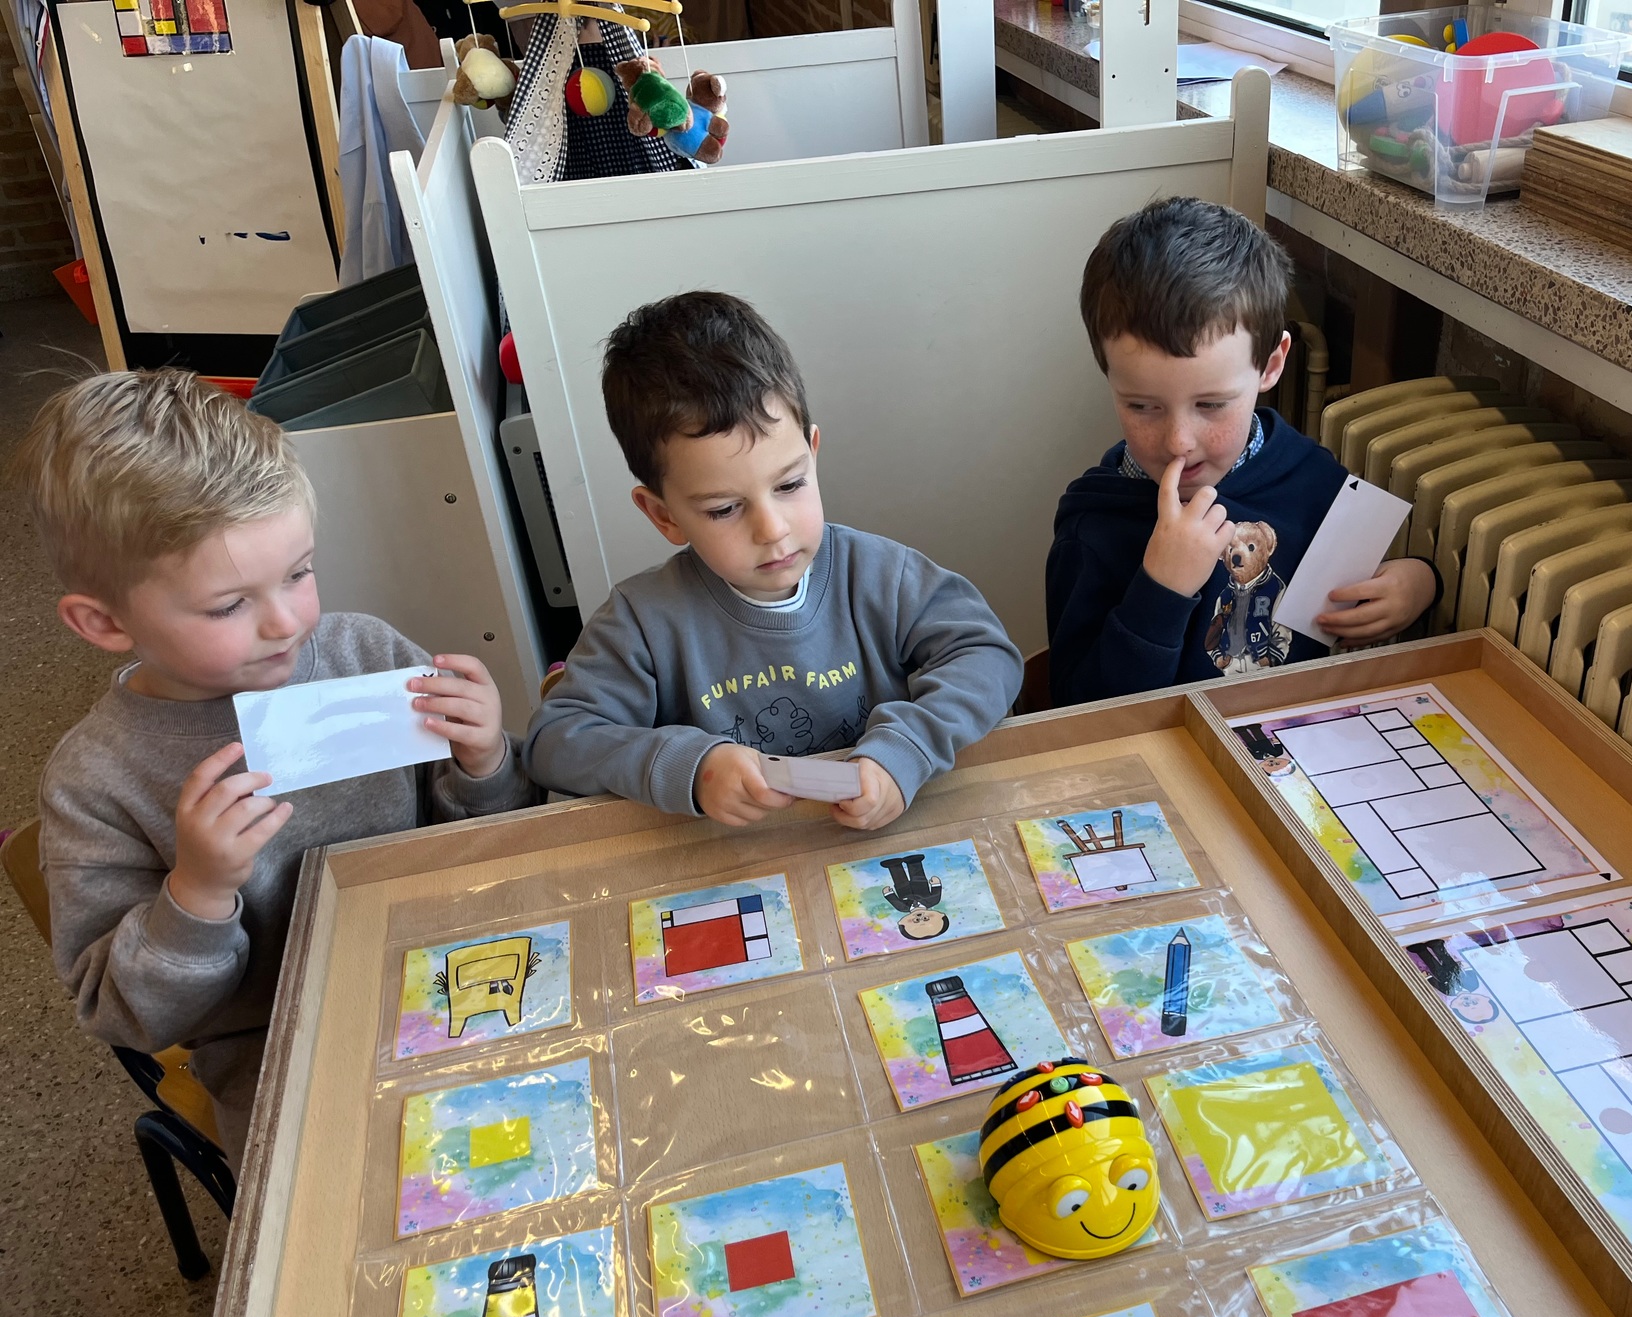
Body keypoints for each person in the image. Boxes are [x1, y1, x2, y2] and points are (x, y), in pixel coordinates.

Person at [21, 370, 538, 1164]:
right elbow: (126, 1016)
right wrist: (197, 893)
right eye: (229, 605)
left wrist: (486, 762)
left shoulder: (366, 652)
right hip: (279, 1049)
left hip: (456, 969)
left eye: (299, 572)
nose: (286, 621)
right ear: (104, 622)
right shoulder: (96, 782)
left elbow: (499, 850)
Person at [525, 291, 1022, 829]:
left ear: (813, 453)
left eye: (789, 485)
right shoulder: (641, 622)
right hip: (733, 859)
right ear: (664, 515)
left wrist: (907, 749)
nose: (772, 530)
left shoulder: (882, 575)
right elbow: (555, 742)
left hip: (876, 841)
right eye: (724, 509)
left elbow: (987, 655)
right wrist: (690, 768)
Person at [1045, 197, 1439, 707]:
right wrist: (1160, 591)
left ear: (1271, 366)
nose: (1178, 441)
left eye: (1211, 404)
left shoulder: (1311, 479)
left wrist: (1420, 584)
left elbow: (1356, 596)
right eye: (1142, 406)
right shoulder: (1094, 529)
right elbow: (1080, 717)